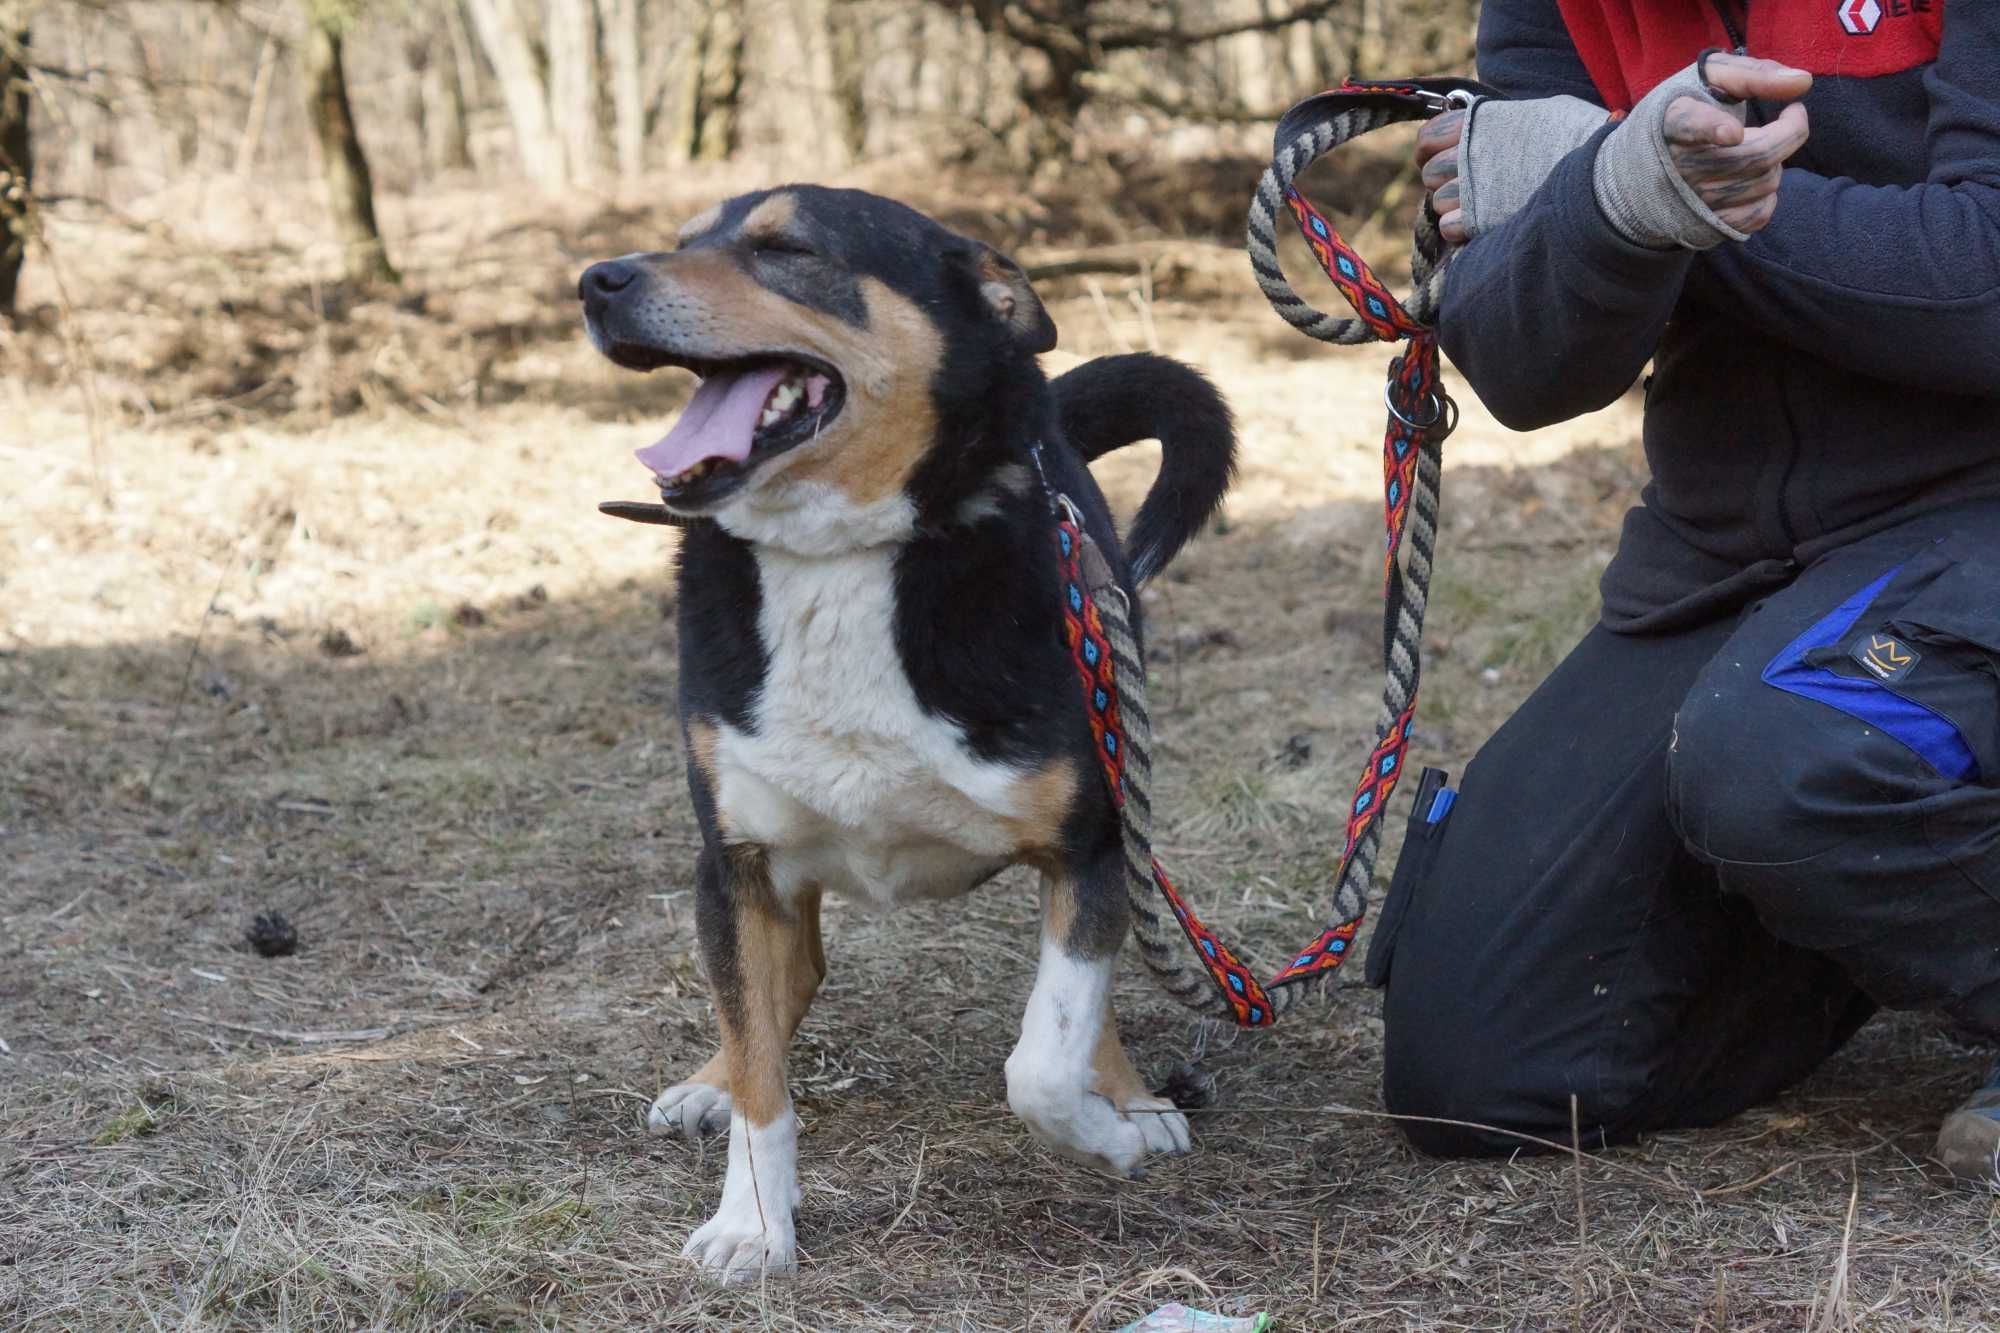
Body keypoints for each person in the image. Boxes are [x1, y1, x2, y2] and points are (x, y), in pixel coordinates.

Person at [1369, 0, 2000, 1186]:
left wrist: (1630, 177)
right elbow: (1520, 366)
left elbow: (1982, 295)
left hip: (1975, 510)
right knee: (1481, 1072)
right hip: (1721, 560)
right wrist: (1612, 193)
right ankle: (1878, 904)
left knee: (1785, 756)